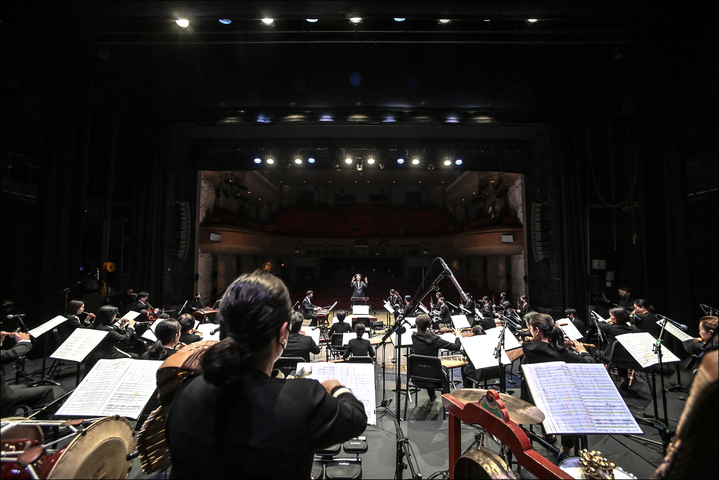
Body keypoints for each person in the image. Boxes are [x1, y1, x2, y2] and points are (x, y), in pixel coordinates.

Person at [166, 270, 367, 478]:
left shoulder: (186, 390)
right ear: (282, 334)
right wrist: (336, 387)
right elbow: (356, 417)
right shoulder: (302, 398)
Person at [521, 312, 593, 460]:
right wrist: (582, 351)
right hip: (562, 400)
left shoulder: (528, 347)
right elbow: (589, 366)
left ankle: (547, 432)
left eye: (531, 329)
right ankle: (565, 449)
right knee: (571, 408)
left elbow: (535, 343)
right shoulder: (565, 354)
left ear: (537, 331)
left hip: (535, 398)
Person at [1, 331, 55, 417]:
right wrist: (24, 342)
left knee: (24, 386)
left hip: (3, 389)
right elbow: (10, 355)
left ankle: (11, 417)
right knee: (46, 391)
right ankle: (42, 427)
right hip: (3, 398)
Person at [411, 314, 461, 400]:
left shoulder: (414, 337)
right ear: (430, 325)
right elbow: (456, 347)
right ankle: (446, 398)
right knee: (443, 368)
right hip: (435, 378)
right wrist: (457, 335)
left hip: (417, 376)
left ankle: (432, 395)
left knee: (426, 364)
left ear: (417, 327)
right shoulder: (436, 340)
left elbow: (422, 335)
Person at [598, 307, 640, 391]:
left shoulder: (611, 328)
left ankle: (601, 378)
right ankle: (624, 380)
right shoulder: (634, 328)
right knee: (622, 354)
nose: (610, 318)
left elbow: (600, 324)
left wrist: (607, 321)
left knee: (598, 354)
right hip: (633, 357)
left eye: (611, 316)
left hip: (613, 357)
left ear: (617, 317)